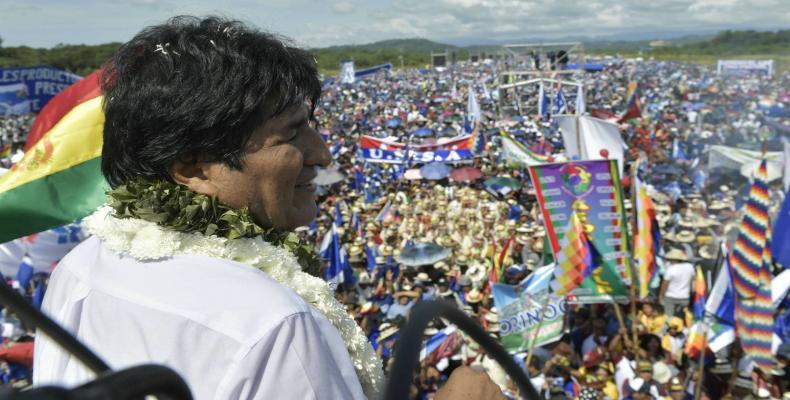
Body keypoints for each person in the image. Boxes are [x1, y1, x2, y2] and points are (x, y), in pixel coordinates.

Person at [33, 16, 504, 400]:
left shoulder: (78, 268)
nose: (322, 155)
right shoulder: (274, 323)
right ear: (193, 164)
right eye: (291, 134)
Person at [659, 248, 695, 319]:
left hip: (671, 296)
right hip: (685, 296)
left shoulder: (671, 269)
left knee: (669, 318)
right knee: (682, 317)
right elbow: (693, 280)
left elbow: (665, 284)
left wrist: (661, 296)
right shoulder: (689, 267)